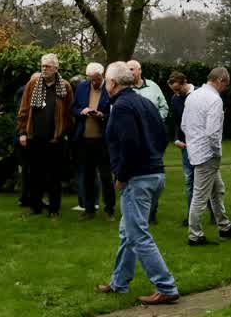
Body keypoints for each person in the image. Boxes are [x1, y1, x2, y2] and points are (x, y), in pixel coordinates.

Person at [96, 62, 180, 305]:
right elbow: (161, 136)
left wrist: (122, 175)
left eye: (105, 81)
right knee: (128, 232)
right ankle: (119, 282)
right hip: (154, 173)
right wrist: (153, 158)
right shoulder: (145, 102)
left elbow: (129, 144)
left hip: (138, 178)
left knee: (138, 234)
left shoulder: (121, 106)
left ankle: (166, 286)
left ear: (112, 83)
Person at [181, 67, 231, 245]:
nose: (225, 88)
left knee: (218, 189)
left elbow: (184, 125)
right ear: (220, 81)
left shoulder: (193, 96)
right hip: (207, 154)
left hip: (195, 151)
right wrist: (216, 151)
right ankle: (195, 235)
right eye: (225, 84)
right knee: (200, 196)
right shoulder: (214, 100)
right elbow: (213, 132)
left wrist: (193, 143)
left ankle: (225, 226)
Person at [17, 53, 74, 218]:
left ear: (56, 68)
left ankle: (54, 209)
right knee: (35, 175)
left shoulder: (65, 86)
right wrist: (22, 132)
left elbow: (69, 112)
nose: (44, 69)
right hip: (35, 137)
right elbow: (24, 109)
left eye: (48, 66)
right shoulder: (33, 83)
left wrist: (65, 133)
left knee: (54, 177)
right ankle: (35, 207)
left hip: (55, 138)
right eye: (42, 66)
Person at [167, 71, 214, 227]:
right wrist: (176, 138)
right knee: (189, 181)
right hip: (185, 145)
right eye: (174, 90)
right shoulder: (175, 99)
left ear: (185, 82)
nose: (177, 93)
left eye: (178, 89)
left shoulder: (201, 94)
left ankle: (215, 214)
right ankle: (190, 217)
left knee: (207, 181)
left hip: (202, 144)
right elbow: (177, 122)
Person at [71, 62, 114, 220]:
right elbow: (73, 108)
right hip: (84, 139)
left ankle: (109, 209)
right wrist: (81, 111)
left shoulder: (110, 89)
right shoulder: (82, 87)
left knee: (105, 176)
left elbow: (115, 114)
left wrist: (102, 116)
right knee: (87, 175)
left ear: (102, 76)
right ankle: (89, 209)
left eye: (96, 79)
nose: (93, 82)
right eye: (90, 79)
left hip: (103, 140)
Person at [127, 59, 168, 223]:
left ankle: (152, 211)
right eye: (127, 70)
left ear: (139, 70)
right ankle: (137, 210)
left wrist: (156, 121)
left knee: (153, 172)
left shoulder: (153, 87)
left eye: (132, 69)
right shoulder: (126, 90)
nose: (130, 73)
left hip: (153, 136)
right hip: (135, 137)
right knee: (137, 173)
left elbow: (164, 107)